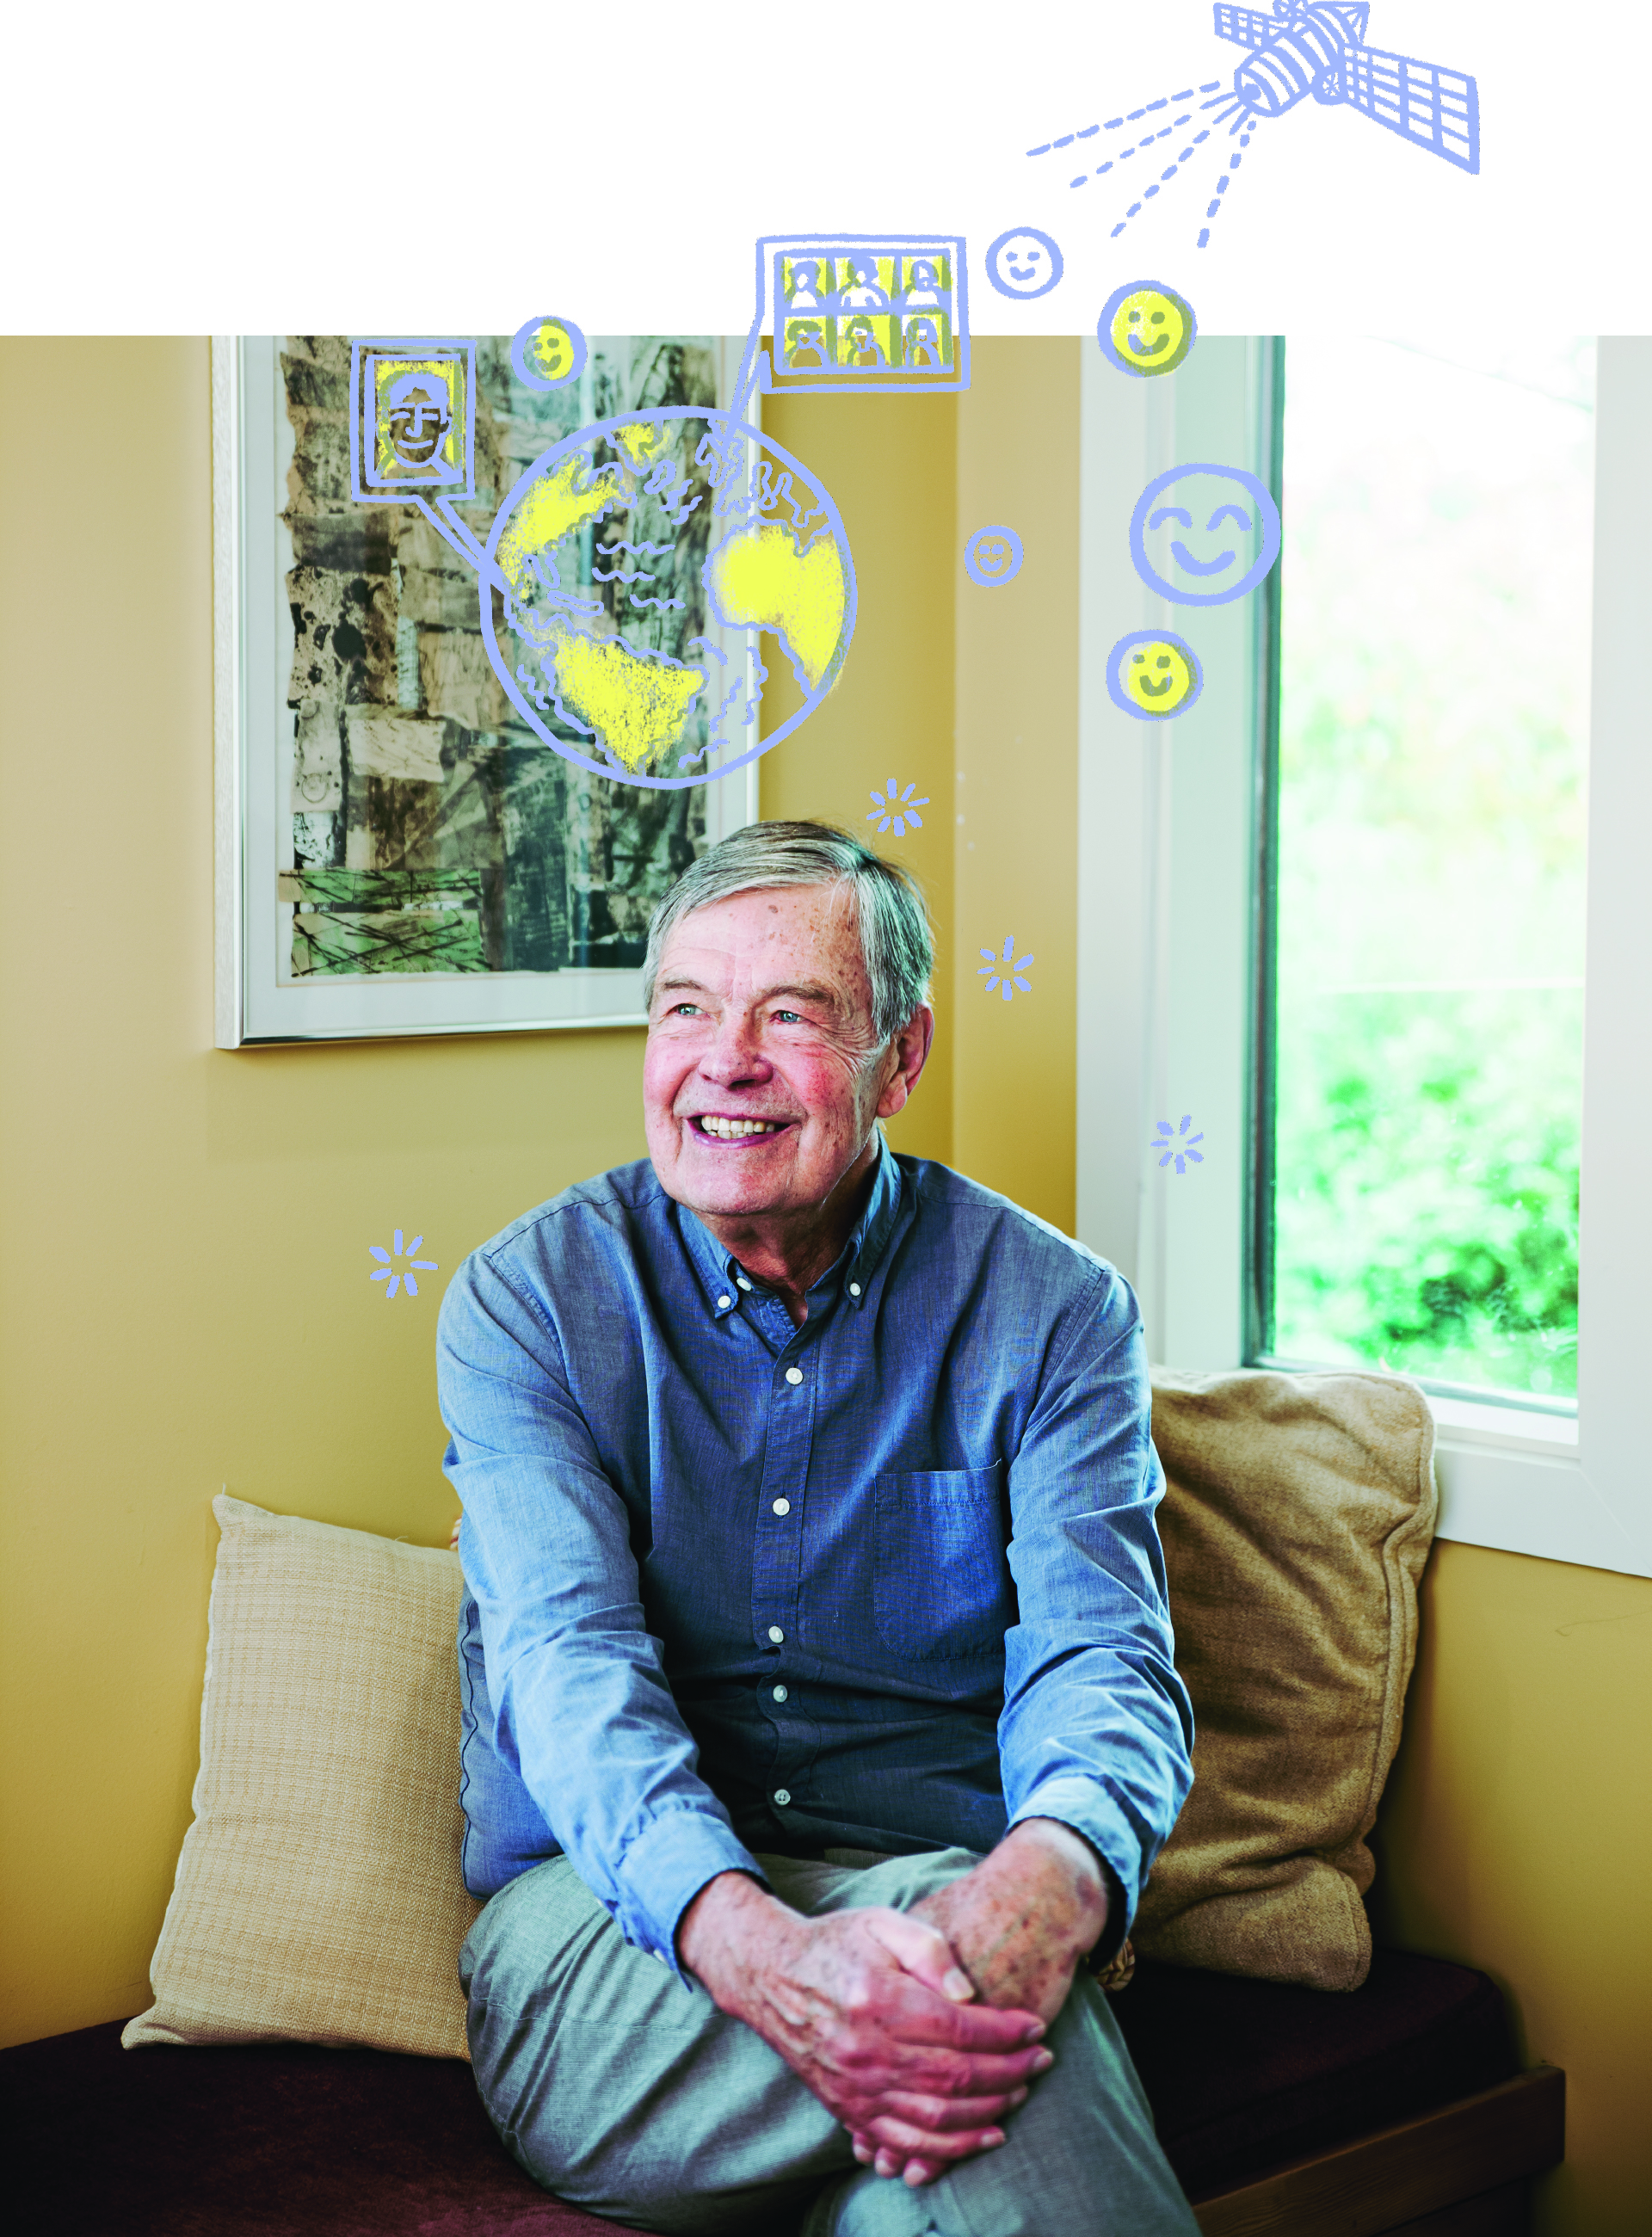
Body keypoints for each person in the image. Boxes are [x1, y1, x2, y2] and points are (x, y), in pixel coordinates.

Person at [439, 822, 1199, 2236]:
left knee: (928, 2150)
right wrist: (770, 1948)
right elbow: (567, 1665)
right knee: (975, 2017)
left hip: (954, 1899)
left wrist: (1054, 1877)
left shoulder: (1055, 1311)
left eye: (790, 1016)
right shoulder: (527, 1302)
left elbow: (1106, 1660)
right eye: (686, 1009)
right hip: (613, 1940)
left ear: (900, 1060)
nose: (724, 1061)